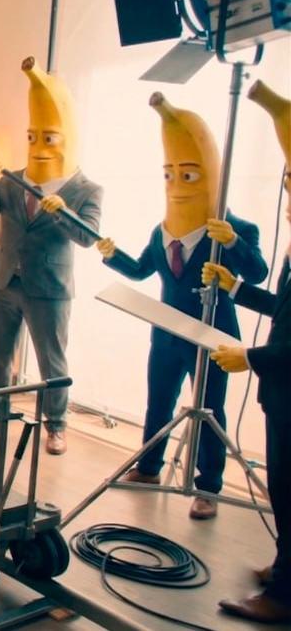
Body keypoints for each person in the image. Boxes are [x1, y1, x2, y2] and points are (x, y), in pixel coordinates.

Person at [97, 94, 266, 520]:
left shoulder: (237, 228)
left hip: (212, 338)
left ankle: (208, 487)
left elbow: (258, 273)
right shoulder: (161, 231)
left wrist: (232, 242)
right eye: (169, 175)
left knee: (209, 411)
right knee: (159, 402)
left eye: (186, 175)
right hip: (166, 335)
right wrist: (112, 255)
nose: (176, 184)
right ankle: (149, 467)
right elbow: (141, 270)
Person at [0, 57, 103, 455]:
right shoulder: (11, 179)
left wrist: (62, 212)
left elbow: (88, 237)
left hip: (49, 287)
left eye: (47, 138)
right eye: (32, 137)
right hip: (5, 280)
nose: (38, 145)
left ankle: (56, 425)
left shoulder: (86, 190)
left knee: (51, 362)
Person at [210, 78, 291, 624]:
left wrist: (252, 359)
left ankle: (284, 596)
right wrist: (237, 289)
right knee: (282, 489)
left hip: (284, 384)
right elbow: (285, 310)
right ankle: (285, 565)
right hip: (281, 394)